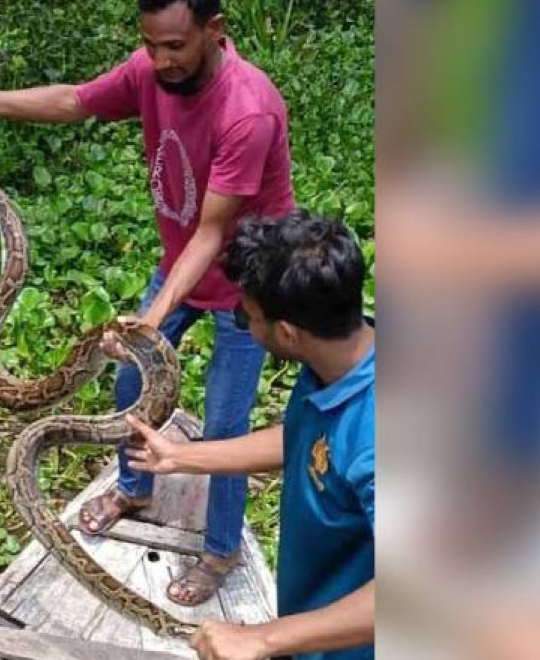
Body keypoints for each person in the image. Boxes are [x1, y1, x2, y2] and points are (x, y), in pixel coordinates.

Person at [0, 0, 294, 606]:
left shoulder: (247, 110)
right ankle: (134, 485)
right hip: (178, 263)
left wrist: (149, 321)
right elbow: (76, 100)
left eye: (175, 45)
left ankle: (221, 550)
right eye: (150, 44)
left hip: (245, 286)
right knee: (126, 381)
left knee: (226, 427)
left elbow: (212, 234)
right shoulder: (150, 69)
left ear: (215, 30)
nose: (160, 59)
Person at [126, 211, 374, 660]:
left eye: (245, 316)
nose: (242, 322)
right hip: (311, 629)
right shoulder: (342, 356)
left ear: (287, 333)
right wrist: (180, 458)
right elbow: (306, 440)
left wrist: (263, 639)